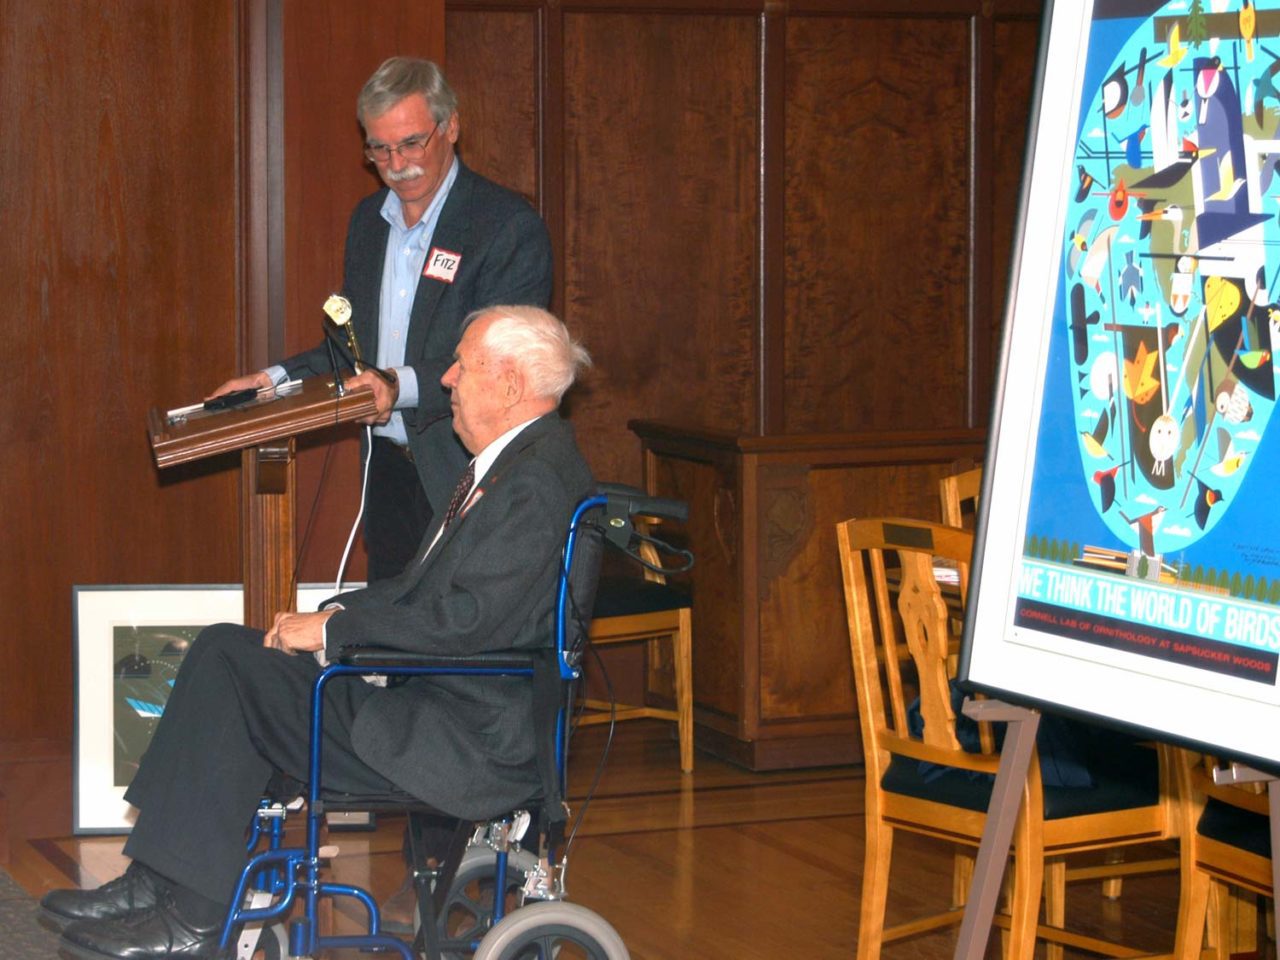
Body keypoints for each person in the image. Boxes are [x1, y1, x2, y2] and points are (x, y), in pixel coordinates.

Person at [43, 306, 593, 960]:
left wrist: (334, 631)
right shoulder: (517, 463)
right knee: (228, 650)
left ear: (508, 384)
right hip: (434, 703)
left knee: (235, 672)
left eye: (462, 365)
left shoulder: (530, 482)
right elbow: (432, 595)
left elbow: (465, 622)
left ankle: (188, 916)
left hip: (458, 737)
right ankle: (158, 883)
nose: (446, 378)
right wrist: (332, 617)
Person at [212, 57, 554, 582]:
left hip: (471, 472)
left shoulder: (506, 227)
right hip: (388, 476)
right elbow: (355, 354)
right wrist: (272, 383)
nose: (398, 163)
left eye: (412, 143)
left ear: (452, 127)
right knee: (390, 644)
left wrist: (398, 386)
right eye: (380, 149)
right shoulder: (368, 224)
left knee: (459, 653)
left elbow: (508, 368)